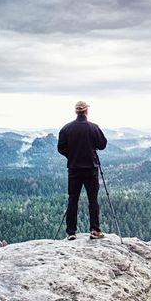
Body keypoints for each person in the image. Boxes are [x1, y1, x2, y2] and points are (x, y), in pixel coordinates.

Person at [58, 101, 107, 240]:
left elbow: (60, 148)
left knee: (73, 199)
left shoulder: (66, 129)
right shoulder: (93, 127)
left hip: (73, 168)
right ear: (86, 112)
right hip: (91, 168)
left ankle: (71, 232)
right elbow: (102, 144)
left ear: (76, 112)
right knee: (93, 200)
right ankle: (95, 230)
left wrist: (71, 155)